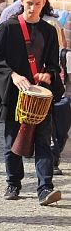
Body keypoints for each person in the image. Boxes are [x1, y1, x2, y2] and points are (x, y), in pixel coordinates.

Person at [0, 0, 63, 206]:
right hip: (14, 93)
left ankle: (45, 187)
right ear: (22, 1)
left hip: (39, 95)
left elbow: (52, 63)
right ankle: (13, 182)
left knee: (43, 140)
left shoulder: (49, 31)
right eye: (29, 3)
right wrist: (13, 76)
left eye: (37, 4)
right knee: (13, 139)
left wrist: (48, 74)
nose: (33, 8)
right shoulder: (8, 27)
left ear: (44, 3)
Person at [46, 19, 71, 176]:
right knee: (51, 130)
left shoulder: (65, 55)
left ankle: (54, 157)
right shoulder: (43, 54)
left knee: (60, 132)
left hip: (62, 98)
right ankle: (52, 160)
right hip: (50, 96)